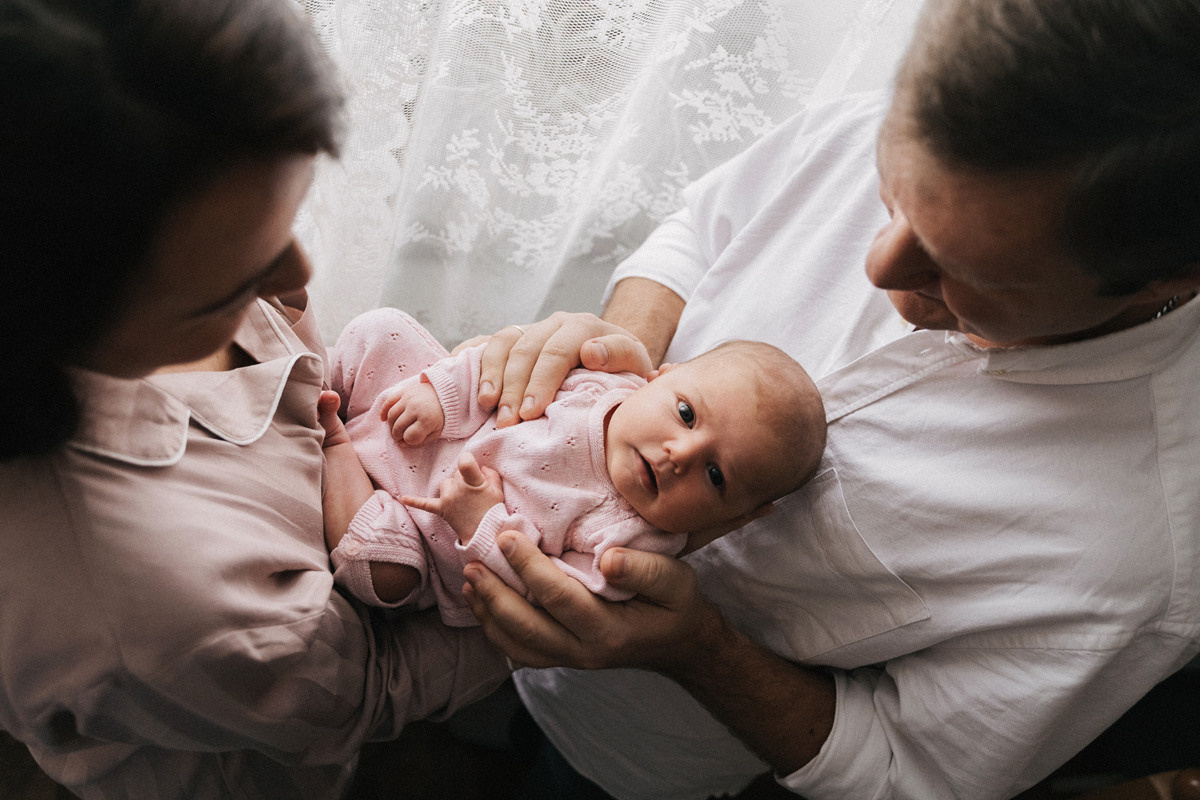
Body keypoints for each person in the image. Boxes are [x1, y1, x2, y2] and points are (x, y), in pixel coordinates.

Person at [452, 0, 1200, 798]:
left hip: (627, 762)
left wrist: (693, 649)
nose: (879, 268)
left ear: (1170, 280)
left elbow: (906, 772)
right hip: (454, 614)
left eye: (969, 275)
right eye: (892, 191)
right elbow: (702, 227)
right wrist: (611, 353)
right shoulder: (945, 103)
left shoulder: (1137, 554)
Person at [0, 2, 508, 799]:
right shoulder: (171, 605)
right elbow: (367, 688)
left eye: (293, 215)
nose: (299, 280)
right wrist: (538, 601)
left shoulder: (169, 235)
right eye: (231, 286)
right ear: (54, 321)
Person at [317, 308, 826, 620]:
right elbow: (496, 373)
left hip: (419, 529)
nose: (680, 456)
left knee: (384, 575)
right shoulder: (601, 382)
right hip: (422, 429)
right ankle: (323, 380)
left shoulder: (628, 545)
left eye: (716, 476)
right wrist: (442, 397)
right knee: (382, 330)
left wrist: (483, 523)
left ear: (728, 520)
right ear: (660, 376)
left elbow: (541, 589)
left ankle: (333, 444)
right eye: (686, 414)